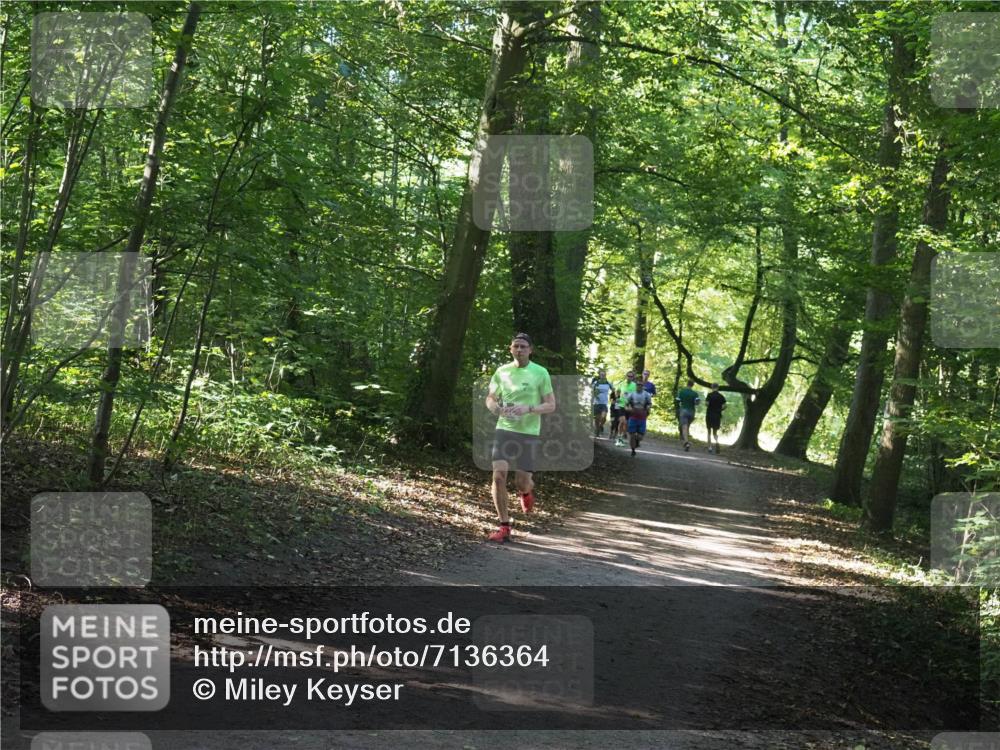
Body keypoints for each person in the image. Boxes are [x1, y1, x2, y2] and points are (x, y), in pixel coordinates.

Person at [485, 333, 556, 543]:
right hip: (504, 429)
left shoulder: (540, 373)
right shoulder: (502, 371)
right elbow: (490, 397)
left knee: (522, 482)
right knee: (498, 476)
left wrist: (529, 408)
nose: (519, 350)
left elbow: (551, 405)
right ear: (510, 349)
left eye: (523, 347)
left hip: (528, 433)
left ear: (530, 350)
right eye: (515, 346)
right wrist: (495, 408)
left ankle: (526, 492)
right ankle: (504, 527)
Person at [626, 373, 653, 457]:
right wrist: (628, 408)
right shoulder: (631, 394)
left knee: (640, 436)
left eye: (640, 385)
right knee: (632, 434)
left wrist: (648, 407)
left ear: (642, 386)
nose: (639, 386)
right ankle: (633, 450)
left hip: (642, 416)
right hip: (633, 416)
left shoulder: (647, 395)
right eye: (638, 385)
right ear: (636, 385)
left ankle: (638, 441)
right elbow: (627, 404)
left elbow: (649, 404)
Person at [675, 379, 701, 452]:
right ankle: (685, 440)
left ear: (687, 384)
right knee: (687, 426)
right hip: (692, 412)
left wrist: (678, 408)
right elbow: (697, 403)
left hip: (683, 411)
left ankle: (686, 442)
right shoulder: (695, 394)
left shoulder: (682, 392)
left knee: (684, 427)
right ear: (693, 385)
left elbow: (677, 400)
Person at [613, 371, 637, 447]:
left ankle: (621, 438)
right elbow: (617, 391)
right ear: (626, 376)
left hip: (629, 407)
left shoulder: (635, 385)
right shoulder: (622, 383)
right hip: (621, 405)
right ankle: (619, 437)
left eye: (631, 376)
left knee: (626, 423)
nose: (629, 377)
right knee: (622, 421)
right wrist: (617, 398)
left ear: (633, 378)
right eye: (628, 376)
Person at [591, 368, 613, 437]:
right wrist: (595, 393)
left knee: (604, 417)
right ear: (599, 375)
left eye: (604, 375)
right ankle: (597, 431)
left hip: (604, 403)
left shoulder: (608, 383)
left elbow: (614, 390)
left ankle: (601, 426)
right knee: (597, 419)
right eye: (601, 375)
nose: (603, 376)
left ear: (606, 375)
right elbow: (592, 391)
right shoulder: (595, 383)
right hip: (596, 403)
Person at [705, 383, 726, 454]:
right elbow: (725, 406)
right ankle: (717, 442)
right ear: (718, 388)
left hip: (709, 415)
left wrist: (709, 405)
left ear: (712, 387)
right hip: (717, 415)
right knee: (715, 432)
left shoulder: (709, 395)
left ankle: (710, 447)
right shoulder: (721, 396)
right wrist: (720, 409)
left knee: (709, 431)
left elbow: (706, 404)